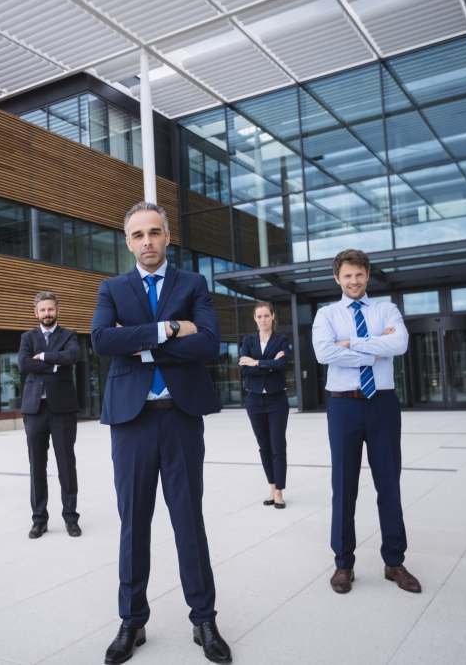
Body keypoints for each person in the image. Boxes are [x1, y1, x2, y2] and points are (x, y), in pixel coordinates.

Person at [92, 202, 232, 664]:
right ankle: (132, 621)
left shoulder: (193, 283)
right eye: (138, 235)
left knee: (188, 519)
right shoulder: (112, 288)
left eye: (154, 232)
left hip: (180, 417)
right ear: (127, 241)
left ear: (167, 236)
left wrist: (140, 342)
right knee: (134, 523)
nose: (147, 241)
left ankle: (204, 619)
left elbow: (209, 343)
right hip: (131, 422)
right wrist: (169, 330)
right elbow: (102, 341)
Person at [311, 249, 421, 596]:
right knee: (343, 486)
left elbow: (400, 343)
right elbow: (324, 353)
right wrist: (376, 347)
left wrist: (353, 343)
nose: (354, 281)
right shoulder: (326, 314)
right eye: (347, 276)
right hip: (343, 407)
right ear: (337, 278)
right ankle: (343, 564)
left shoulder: (386, 309)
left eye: (359, 275)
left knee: (389, 483)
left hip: (383, 404)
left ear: (367, 275)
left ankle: (395, 561)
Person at [18, 291, 81, 538]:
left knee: (66, 464)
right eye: (43, 310)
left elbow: (72, 356)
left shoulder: (69, 335)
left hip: (62, 410)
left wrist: (44, 357)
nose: (47, 314)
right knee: (37, 466)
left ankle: (71, 517)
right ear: (36, 313)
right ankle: (39, 519)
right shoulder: (27, 337)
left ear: (57, 310)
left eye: (50, 309)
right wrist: (56, 364)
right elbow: (23, 364)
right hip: (34, 410)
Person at [239, 301, 292, 509]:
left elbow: (282, 365)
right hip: (254, 400)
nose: (263, 320)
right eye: (259, 316)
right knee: (264, 446)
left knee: (278, 445)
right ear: (255, 319)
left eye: (266, 316)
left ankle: (279, 490)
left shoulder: (281, 340)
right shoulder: (248, 340)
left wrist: (257, 362)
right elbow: (244, 369)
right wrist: (267, 364)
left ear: (273, 317)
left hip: (277, 400)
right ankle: (271, 486)